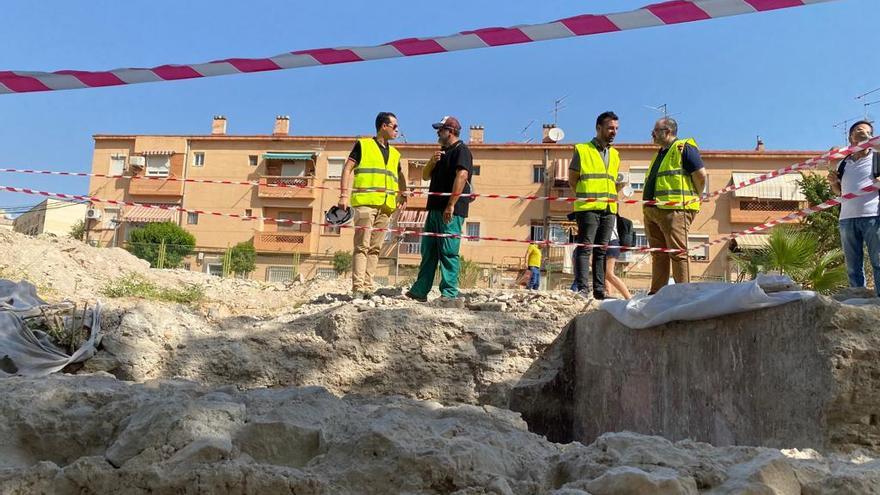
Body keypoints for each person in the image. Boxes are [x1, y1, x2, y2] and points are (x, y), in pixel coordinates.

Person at [338, 112, 407, 298]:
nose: (397, 130)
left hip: (386, 206)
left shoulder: (395, 153)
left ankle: (368, 287)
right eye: (395, 126)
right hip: (365, 205)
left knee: (376, 248)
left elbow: (399, 175)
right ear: (383, 126)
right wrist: (343, 195)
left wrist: (404, 193)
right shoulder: (363, 145)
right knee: (362, 246)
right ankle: (358, 288)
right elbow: (347, 168)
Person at [406, 116, 474, 302]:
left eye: (440, 129)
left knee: (448, 251)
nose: (437, 132)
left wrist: (451, 204)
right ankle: (420, 290)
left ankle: (449, 293)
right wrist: (431, 162)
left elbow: (461, 176)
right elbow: (426, 176)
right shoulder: (441, 153)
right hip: (434, 209)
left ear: (450, 131)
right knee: (429, 251)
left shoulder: (462, 151)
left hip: (451, 210)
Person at [642, 117, 707, 294]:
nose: (652, 134)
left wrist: (696, 198)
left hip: (675, 210)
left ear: (667, 131)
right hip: (652, 211)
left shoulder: (683, 148)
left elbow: (700, 176)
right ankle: (657, 294)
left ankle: (683, 294)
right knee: (658, 254)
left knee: (678, 253)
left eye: (655, 131)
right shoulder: (660, 154)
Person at [568, 111, 621, 300]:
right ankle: (582, 288)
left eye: (616, 128)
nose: (614, 132)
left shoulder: (615, 154)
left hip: (609, 209)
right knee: (585, 248)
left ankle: (599, 290)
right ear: (599, 128)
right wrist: (585, 196)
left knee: (602, 250)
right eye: (610, 128)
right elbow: (572, 179)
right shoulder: (582, 150)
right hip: (588, 208)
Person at [827, 120, 880, 297]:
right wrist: (834, 183)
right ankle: (858, 301)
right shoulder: (844, 163)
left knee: (878, 261)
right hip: (847, 219)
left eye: (866, 131)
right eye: (858, 130)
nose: (861, 132)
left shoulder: (877, 156)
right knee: (852, 266)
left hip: (873, 216)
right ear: (850, 137)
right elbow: (839, 192)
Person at [605, 216, 633, 300]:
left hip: (611, 244)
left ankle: (628, 297)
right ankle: (608, 295)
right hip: (609, 244)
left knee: (609, 274)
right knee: (604, 274)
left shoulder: (609, 216)